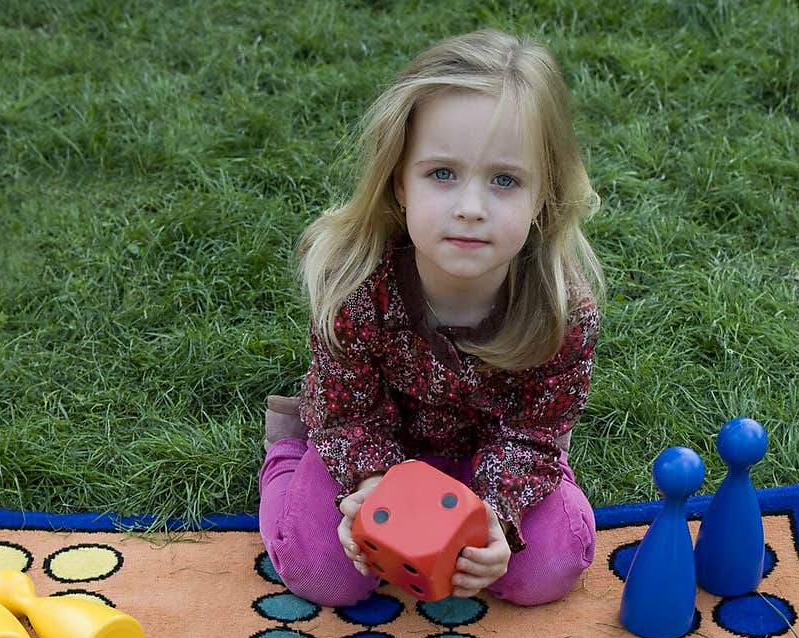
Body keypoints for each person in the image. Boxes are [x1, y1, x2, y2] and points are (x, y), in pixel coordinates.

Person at [259, 29, 604, 607]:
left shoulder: (561, 310)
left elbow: (536, 431)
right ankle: (290, 456)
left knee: (548, 567)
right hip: (368, 444)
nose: (470, 207)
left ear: (544, 194)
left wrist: (494, 516)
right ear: (399, 181)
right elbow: (349, 415)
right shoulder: (358, 288)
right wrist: (371, 494)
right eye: (442, 173)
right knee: (326, 575)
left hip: (492, 455)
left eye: (504, 180)